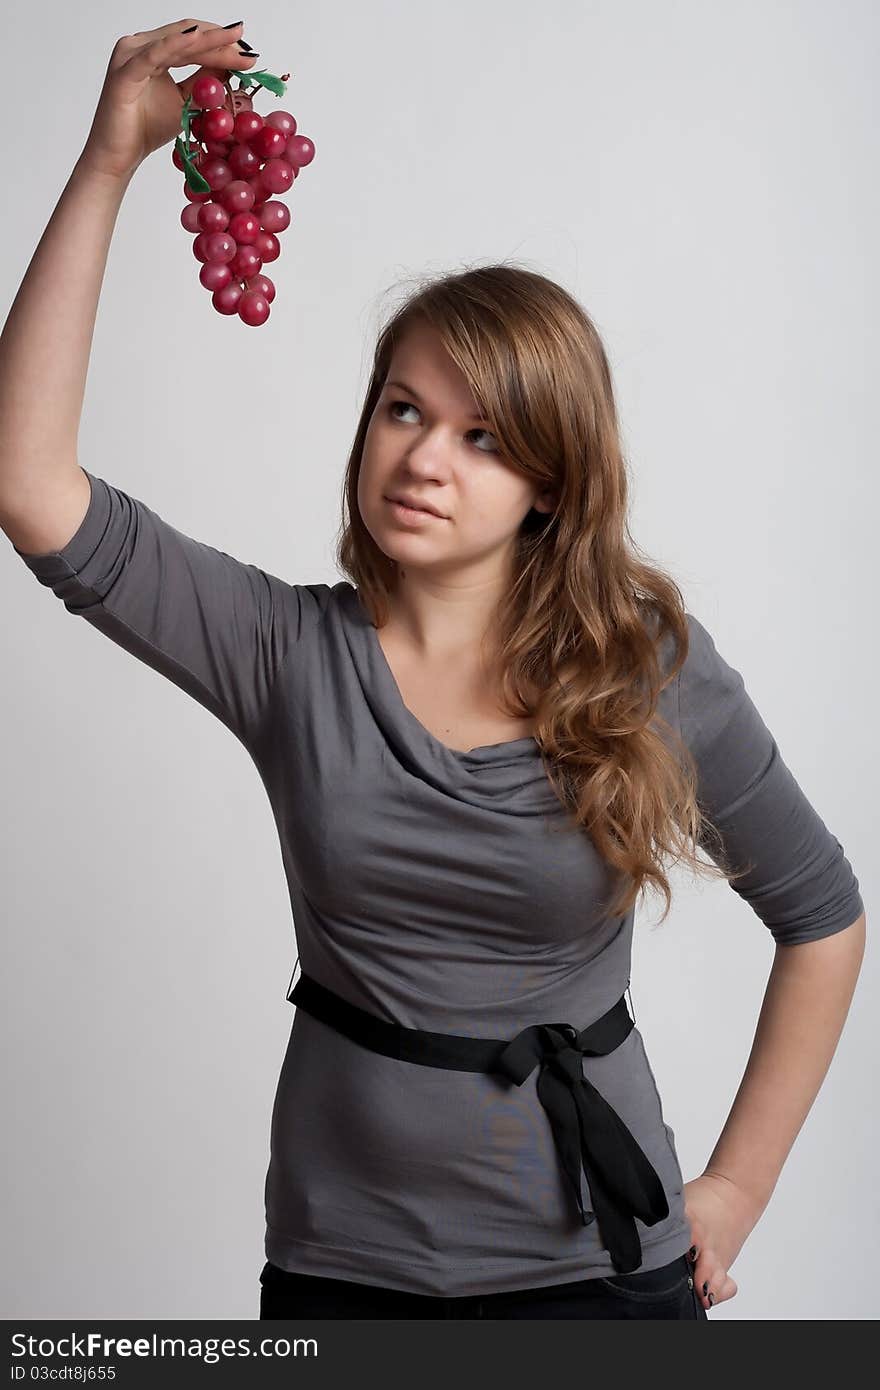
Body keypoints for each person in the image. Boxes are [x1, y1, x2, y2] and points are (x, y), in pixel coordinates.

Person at [0, 19, 866, 1323]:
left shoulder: (650, 669)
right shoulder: (290, 651)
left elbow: (824, 913)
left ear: (550, 482)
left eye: (483, 435)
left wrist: (738, 1185)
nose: (425, 458)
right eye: (403, 408)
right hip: (345, 1276)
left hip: (602, 1275)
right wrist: (111, 160)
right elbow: (31, 487)